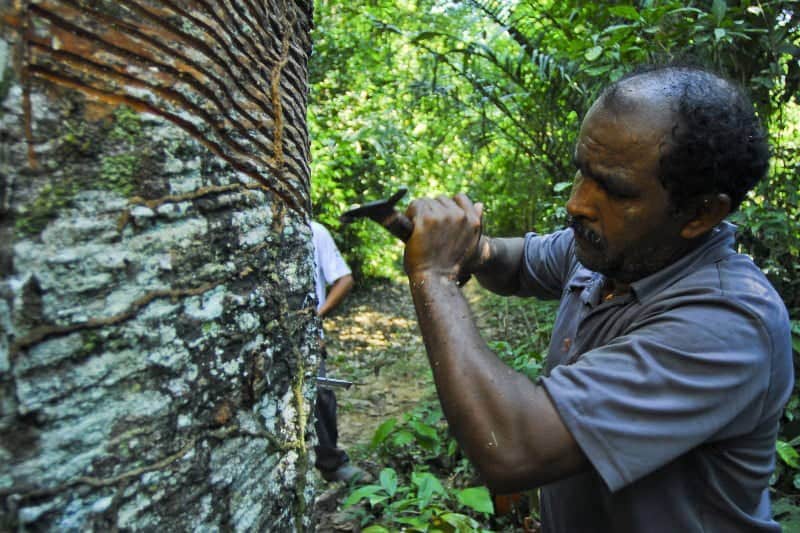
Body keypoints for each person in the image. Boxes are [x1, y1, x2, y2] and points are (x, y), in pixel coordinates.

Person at [401, 65, 793, 532]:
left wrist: (436, 275)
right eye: (582, 173)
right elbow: (517, 261)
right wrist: (471, 249)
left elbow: (510, 448)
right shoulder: (610, 253)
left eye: (613, 188)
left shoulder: (728, 325)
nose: (577, 204)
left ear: (701, 212)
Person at [310, 220, 366, 483]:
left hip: (307, 336)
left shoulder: (314, 231)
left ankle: (331, 464)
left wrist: (315, 317)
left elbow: (344, 279)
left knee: (320, 395)